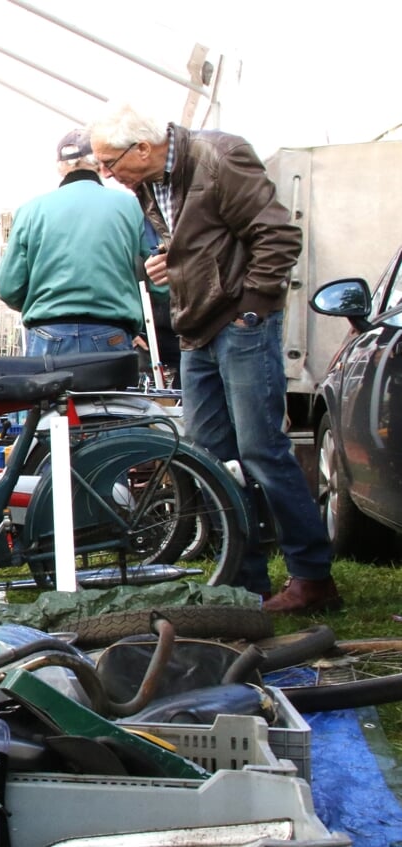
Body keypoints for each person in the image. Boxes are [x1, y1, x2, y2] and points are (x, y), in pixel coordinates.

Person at [89, 104, 337, 614]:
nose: (106, 174)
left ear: (143, 148)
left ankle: (312, 577)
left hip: (240, 326)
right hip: (197, 330)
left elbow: (278, 236)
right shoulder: (147, 181)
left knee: (262, 451)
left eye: (110, 162)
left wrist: (251, 309)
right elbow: (199, 245)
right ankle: (246, 584)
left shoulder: (220, 158)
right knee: (211, 458)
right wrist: (168, 264)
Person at [0, 128, 147, 357]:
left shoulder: (30, 211)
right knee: (107, 395)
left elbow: (8, 287)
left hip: (48, 332)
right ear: (99, 163)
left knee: (48, 393)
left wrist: (44, 302)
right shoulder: (132, 206)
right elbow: (159, 278)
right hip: (110, 331)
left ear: (60, 166)